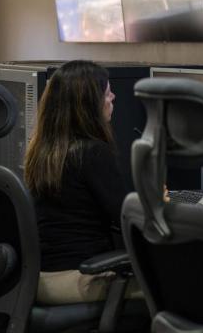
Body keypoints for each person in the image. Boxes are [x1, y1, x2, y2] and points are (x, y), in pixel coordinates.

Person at [23, 60, 133, 305]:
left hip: (39, 277)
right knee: (174, 289)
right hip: (80, 277)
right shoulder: (91, 152)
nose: (113, 97)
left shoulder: (44, 151)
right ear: (87, 105)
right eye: (106, 93)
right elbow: (128, 218)